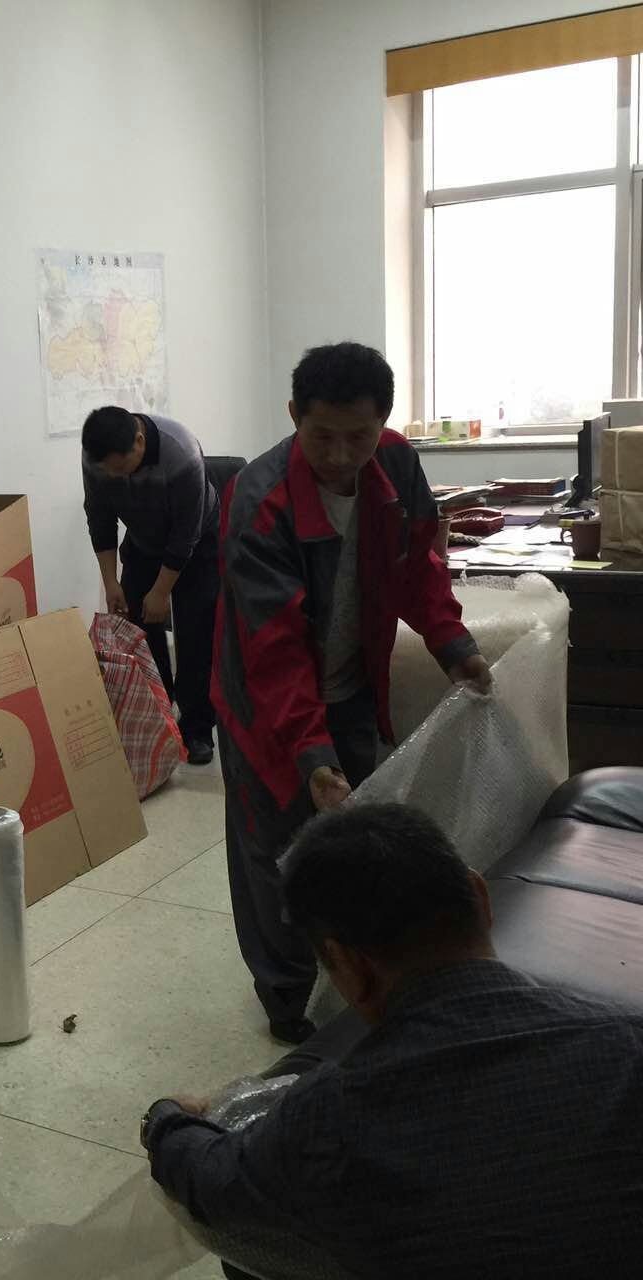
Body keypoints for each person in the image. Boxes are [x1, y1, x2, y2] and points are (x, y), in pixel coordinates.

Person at [143, 803, 643, 1280]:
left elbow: (210, 1180)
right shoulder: (628, 1042)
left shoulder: (327, 1121)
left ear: (349, 966)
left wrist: (166, 1119)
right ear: (480, 898)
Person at [213, 342, 490, 1044]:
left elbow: (418, 566)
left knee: (355, 848)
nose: (340, 456)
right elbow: (273, 651)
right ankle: (286, 1004)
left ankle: (360, 983)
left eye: (358, 437)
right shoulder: (259, 500)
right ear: (293, 417)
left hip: (352, 688)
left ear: (384, 424)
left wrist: (453, 645)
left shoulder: (394, 465)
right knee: (280, 856)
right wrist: (312, 755)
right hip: (267, 711)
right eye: (322, 437)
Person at [82, 406, 220, 764]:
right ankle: (158, 715)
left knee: (196, 634)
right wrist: (110, 583)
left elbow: (186, 536)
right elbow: (100, 519)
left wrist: (160, 592)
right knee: (140, 629)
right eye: (108, 471)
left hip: (197, 544)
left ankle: (197, 727)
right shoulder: (97, 458)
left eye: (121, 468)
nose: (115, 476)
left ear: (140, 442)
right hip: (144, 541)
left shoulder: (182, 452)